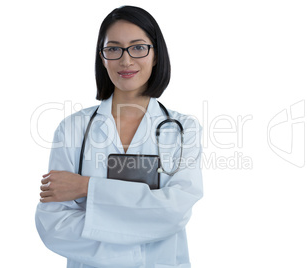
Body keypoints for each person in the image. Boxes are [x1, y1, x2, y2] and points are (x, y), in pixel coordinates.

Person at [35, 5, 203, 268]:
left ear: (156, 54)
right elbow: (53, 224)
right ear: (102, 57)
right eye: (113, 49)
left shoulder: (183, 129)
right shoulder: (72, 129)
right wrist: (141, 238)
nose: (125, 60)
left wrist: (86, 187)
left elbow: (174, 211)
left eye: (138, 47)